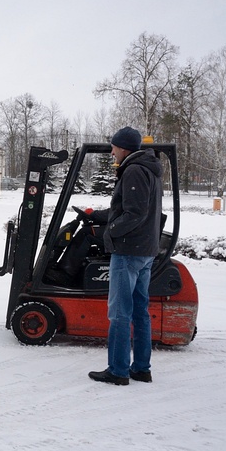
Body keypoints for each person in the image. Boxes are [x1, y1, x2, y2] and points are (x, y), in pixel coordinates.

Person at [88, 126, 163, 386]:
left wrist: (111, 232)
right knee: (140, 310)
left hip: (129, 250)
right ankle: (141, 368)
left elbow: (135, 213)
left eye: (114, 147)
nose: (111, 151)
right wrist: (98, 216)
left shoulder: (133, 170)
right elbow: (133, 209)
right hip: (145, 250)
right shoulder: (149, 169)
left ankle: (118, 371)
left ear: (124, 148)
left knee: (120, 313)